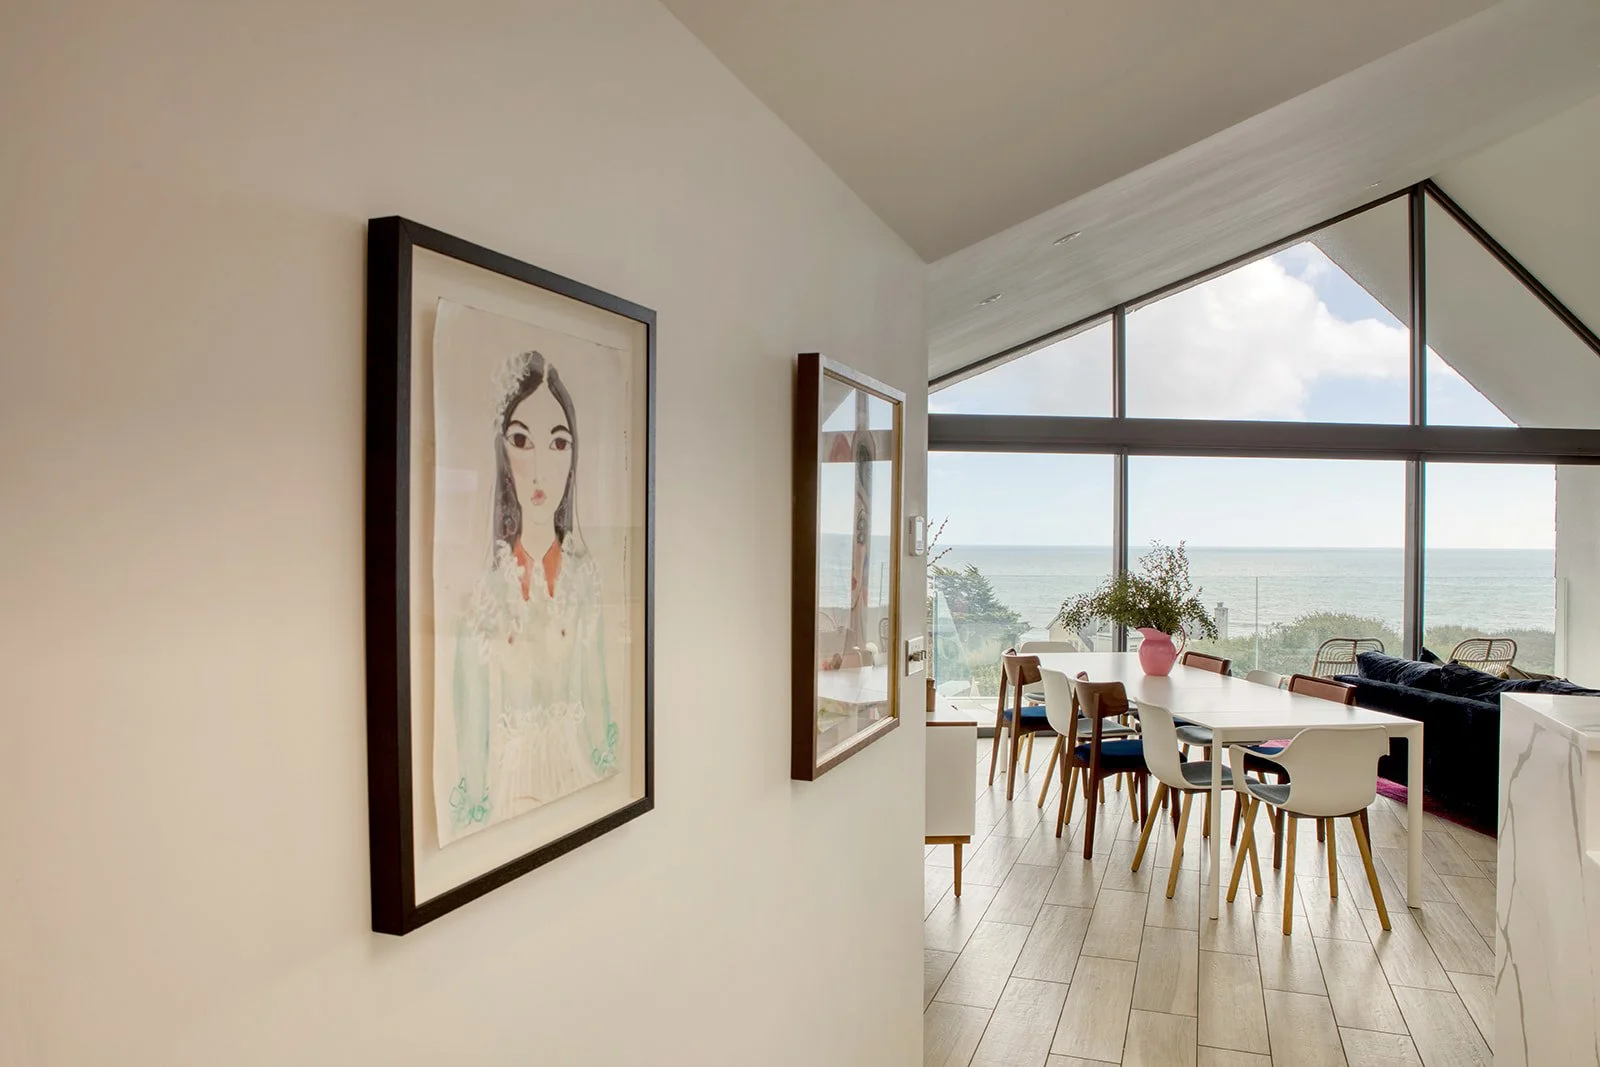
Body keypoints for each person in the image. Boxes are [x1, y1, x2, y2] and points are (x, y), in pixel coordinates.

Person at [445, 349, 617, 839]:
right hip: (510, 800)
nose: (541, 468)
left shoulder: (586, 581)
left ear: (573, 456)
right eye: (522, 441)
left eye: (558, 444)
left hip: (580, 790)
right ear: (503, 455)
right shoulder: (484, 595)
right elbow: (471, 733)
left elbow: (599, 699)